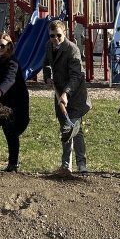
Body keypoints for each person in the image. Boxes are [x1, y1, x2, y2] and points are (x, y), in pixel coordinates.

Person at [42, 20, 91, 174]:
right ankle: (66, 166)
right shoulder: (49, 46)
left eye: (58, 35)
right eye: (52, 36)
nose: (55, 39)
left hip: (76, 95)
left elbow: (76, 76)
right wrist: (47, 77)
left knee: (72, 129)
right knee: (66, 129)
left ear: (65, 33)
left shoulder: (72, 50)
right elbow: (46, 63)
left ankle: (80, 165)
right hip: (59, 92)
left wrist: (66, 93)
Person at [0, 32, 29, 172]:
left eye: (2, 46)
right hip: (4, 104)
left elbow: (9, 80)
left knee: (15, 130)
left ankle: (13, 163)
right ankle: (13, 164)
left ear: (9, 47)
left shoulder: (12, 63)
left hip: (17, 102)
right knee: (9, 132)